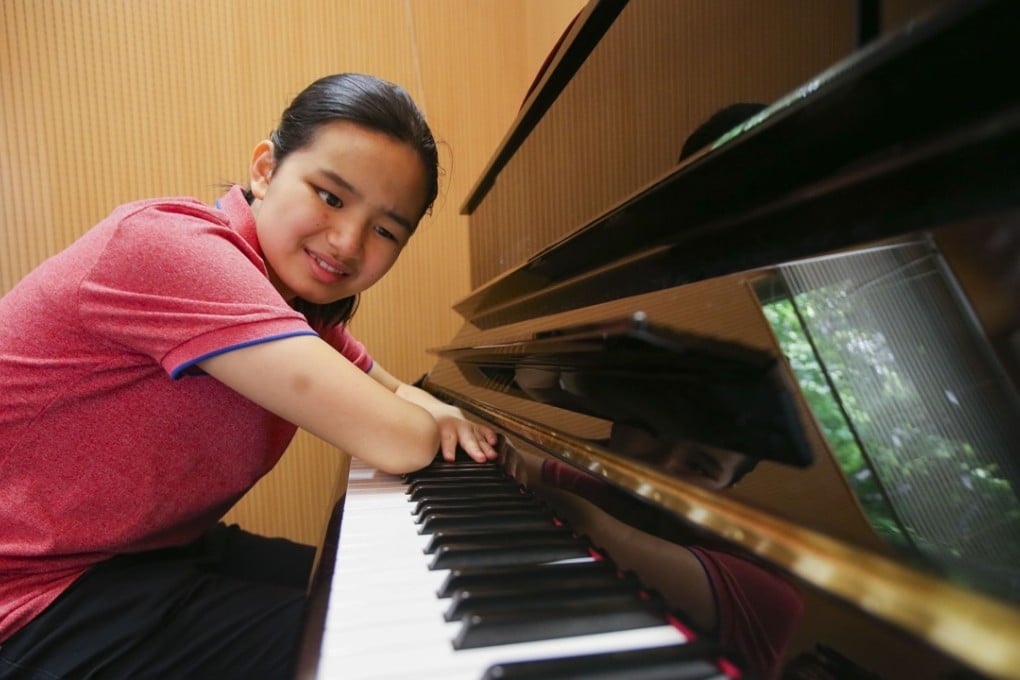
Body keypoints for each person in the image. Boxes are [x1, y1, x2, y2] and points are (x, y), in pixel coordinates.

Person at [0, 73, 498, 679]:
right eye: (331, 197)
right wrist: (428, 415)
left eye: (386, 230)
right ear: (265, 169)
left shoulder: (285, 304)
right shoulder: (174, 249)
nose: (347, 242)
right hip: (36, 597)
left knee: (395, 588)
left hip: (141, 555)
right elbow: (401, 435)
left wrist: (423, 404)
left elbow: (390, 388)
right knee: (397, 648)